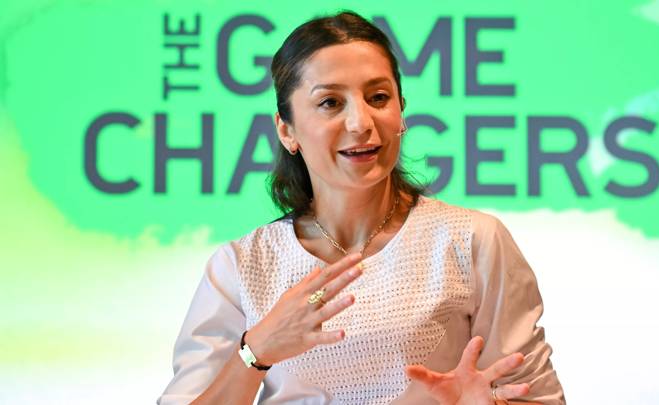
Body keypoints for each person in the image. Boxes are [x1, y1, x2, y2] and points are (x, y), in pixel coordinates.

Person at [158, 11, 565, 405]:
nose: (361, 122)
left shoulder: (471, 241)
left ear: (400, 110)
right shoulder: (243, 266)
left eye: (378, 97)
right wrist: (257, 349)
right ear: (287, 130)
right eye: (331, 103)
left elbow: (538, 397)